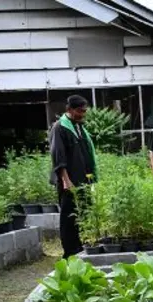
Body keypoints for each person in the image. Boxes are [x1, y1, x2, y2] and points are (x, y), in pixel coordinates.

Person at [50, 95, 97, 258]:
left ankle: (79, 248)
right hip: (69, 181)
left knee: (82, 214)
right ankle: (69, 252)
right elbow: (58, 155)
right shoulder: (59, 128)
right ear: (69, 110)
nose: (83, 114)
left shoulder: (79, 127)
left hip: (82, 180)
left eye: (84, 111)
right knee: (69, 216)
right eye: (79, 111)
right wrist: (65, 180)